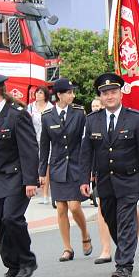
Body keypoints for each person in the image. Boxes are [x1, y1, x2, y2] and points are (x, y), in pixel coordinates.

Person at [79, 73, 139, 277]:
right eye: (105, 93)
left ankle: (124, 264)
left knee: (126, 220)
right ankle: (125, 246)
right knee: (111, 219)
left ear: (120, 93)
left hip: (129, 179)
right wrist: (83, 180)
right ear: (100, 97)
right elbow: (86, 153)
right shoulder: (92, 120)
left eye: (113, 92)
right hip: (104, 180)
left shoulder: (134, 118)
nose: (109, 96)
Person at [0, 73, 40, 277]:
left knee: (12, 218)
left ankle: (27, 261)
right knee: (0, 224)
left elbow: (29, 149)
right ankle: (12, 265)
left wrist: (31, 180)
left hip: (17, 176)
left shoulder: (16, 114)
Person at [38, 78, 92, 261]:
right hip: (58, 166)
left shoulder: (79, 113)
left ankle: (85, 234)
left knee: (75, 205)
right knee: (61, 208)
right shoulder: (47, 116)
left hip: (77, 165)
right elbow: (44, 146)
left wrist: (89, 167)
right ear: (59, 95)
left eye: (72, 92)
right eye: (68, 92)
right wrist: (41, 173)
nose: (72, 95)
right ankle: (67, 248)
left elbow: (86, 141)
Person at [28, 85, 53, 205]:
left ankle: (45, 193)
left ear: (45, 95)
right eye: (37, 92)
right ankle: (32, 187)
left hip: (47, 140)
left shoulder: (50, 107)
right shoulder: (30, 107)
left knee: (46, 165)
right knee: (34, 163)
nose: (38, 95)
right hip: (33, 140)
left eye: (41, 93)